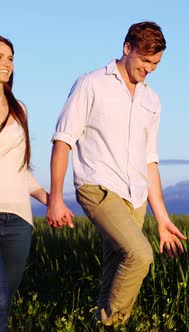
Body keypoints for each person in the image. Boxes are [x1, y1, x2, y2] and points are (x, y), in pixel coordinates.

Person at [46, 21, 187, 328]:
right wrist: (55, 197)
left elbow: (150, 162)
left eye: (156, 64)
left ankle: (99, 322)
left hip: (134, 195)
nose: (150, 69)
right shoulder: (91, 83)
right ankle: (110, 325)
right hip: (97, 187)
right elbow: (63, 139)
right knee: (140, 255)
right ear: (127, 49)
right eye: (145, 61)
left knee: (116, 267)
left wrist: (162, 218)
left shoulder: (152, 100)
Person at [0, 35, 74, 331]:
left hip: (19, 220)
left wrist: (51, 200)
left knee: (7, 297)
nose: (6, 63)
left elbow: (20, 171)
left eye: (10, 58)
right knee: (0, 298)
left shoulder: (21, 110)